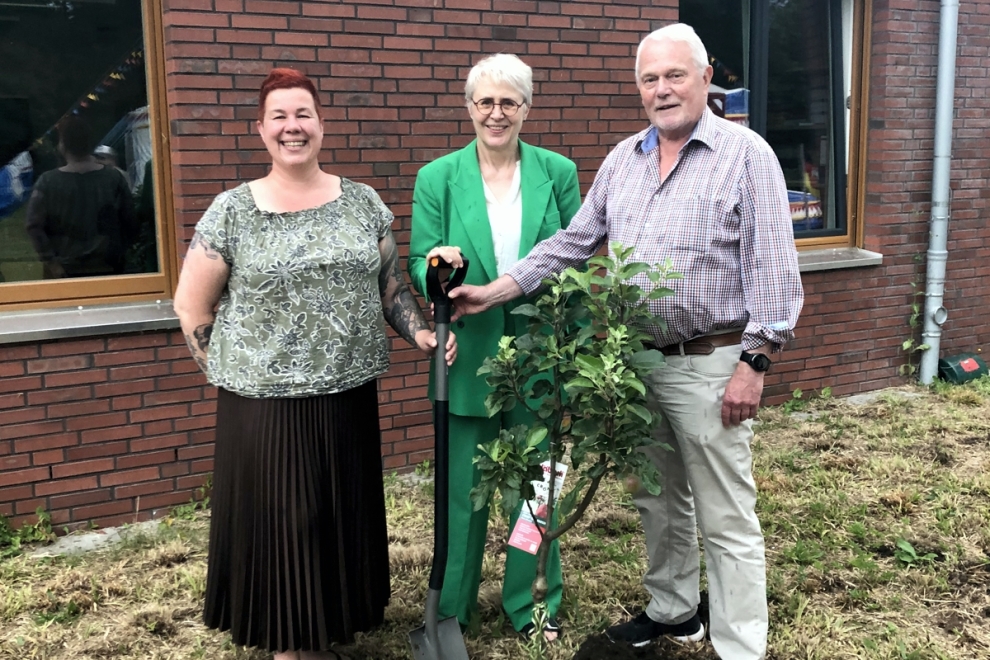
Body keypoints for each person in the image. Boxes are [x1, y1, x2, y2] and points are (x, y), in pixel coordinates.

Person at [439, 24, 804, 660]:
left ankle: (740, 646)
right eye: (649, 79)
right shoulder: (623, 160)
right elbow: (572, 244)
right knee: (658, 500)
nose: (662, 90)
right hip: (634, 364)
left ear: (704, 76)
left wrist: (755, 361)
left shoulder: (747, 157)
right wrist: (491, 292)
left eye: (674, 75)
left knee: (725, 516)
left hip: (711, 361)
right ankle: (673, 612)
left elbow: (775, 268)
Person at [173, 68, 456, 660]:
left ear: (321, 124)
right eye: (279, 116)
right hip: (264, 405)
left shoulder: (362, 203)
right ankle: (290, 646)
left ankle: (323, 630)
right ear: (260, 130)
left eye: (302, 114)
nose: (292, 127)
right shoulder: (233, 211)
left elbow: (390, 288)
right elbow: (191, 302)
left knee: (334, 516)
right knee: (285, 525)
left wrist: (421, 334)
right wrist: (227, 372)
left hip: (348, 393)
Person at [407, 53, 581, 641]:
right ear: (469, 108)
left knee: (536, 493)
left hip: (540, 359)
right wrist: (439, 263)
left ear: (527, 109)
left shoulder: (557, 172)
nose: (496, 113)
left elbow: (576, 255)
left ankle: (532, 603)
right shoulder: (438, 178)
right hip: (466, 358)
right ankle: (452, 610)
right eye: (485, 101)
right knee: (463, 499)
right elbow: (419, 261)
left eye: (509, 101)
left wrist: (571, 355)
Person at [24, 115, 134, 278]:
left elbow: (33, 226)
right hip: (108, 269)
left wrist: (52, 263)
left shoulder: (47, 182)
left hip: (64, 271)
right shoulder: (114, 178)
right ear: (90, 143)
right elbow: (130, 221)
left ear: (62, 146)